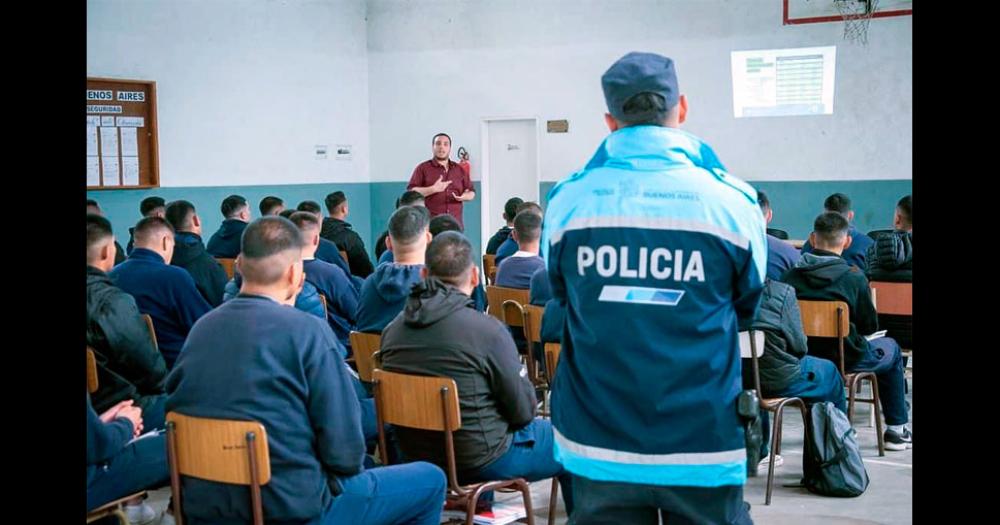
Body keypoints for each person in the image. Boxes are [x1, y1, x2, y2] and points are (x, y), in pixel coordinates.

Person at [541, 51, 765, 523]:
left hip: (597, 438)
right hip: (701, 437)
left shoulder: (568, 202)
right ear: (681, 108)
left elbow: (563, 297)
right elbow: (747, 304)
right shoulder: (731, 204)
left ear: (609, 120)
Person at [407, 133, 475, 228]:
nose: (441, 147)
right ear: (433, 147)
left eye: (445, 144)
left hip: (455, 226)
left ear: (450, 148)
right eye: (438, 144)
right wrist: (433, 189)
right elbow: (411, 193)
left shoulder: (459, 169)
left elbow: (471, 192)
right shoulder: (423, 168)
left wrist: (465, 196)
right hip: (431, 226)